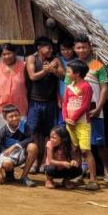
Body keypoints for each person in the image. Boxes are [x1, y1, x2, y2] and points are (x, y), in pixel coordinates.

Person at [74, 34, 108, 184]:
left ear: (90, 47)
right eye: (78, 47)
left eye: (84, 47)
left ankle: (107, 171)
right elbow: (68, 86)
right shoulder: (72, 66)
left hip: (94, 109)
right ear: (74, 49)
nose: (81, 50)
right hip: (78, 110)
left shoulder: (97, 65)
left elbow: (104, 87)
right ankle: (82, 171)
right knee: (80, 143)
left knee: (99, 142)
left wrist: (99, 107)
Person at [26, 37, 64, 170]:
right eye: (48, 47)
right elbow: (32, 76)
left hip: (50, 103)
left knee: (49, 133)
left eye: (51, 48)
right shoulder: (31, 58)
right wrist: (46, 70)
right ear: (39, 48)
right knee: (34, 132)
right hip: (35, 102)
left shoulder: (55, 60)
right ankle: (35, 161)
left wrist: (54, 70)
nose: (51, 50)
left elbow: (64, 75)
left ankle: (44, 161)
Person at [62, 59, 98, 191]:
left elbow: (85, 106)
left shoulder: (86, 86)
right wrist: (66, 118)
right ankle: (78, 175)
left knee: (85, 151)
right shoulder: (69, 86)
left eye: (69, 71)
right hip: (70, 123)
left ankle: (93, 179)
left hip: (82, 123)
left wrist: (74, 118)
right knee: (75, 149)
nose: (67, 73)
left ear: (77, 73)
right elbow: (65, 104)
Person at [0, 105, 37, 187]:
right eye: (11, 116)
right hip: (8, 156)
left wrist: (15, 146)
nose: (15, 118)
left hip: (21, 153)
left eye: (16, 115)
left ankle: (24, 177)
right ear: (5, 118)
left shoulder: (24, 126)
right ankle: (9, 175)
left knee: (33, 147)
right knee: (7, 164)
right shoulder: (2, 131)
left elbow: (31, 138)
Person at [0, 43, 27, 120]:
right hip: (3, 109)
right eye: (4, 54)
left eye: (9, 53)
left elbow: (29, 86)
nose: (7, 56)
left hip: (20, 107)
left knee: (21, 131)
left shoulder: (23, 66)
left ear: (15, 53)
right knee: (4, 131)